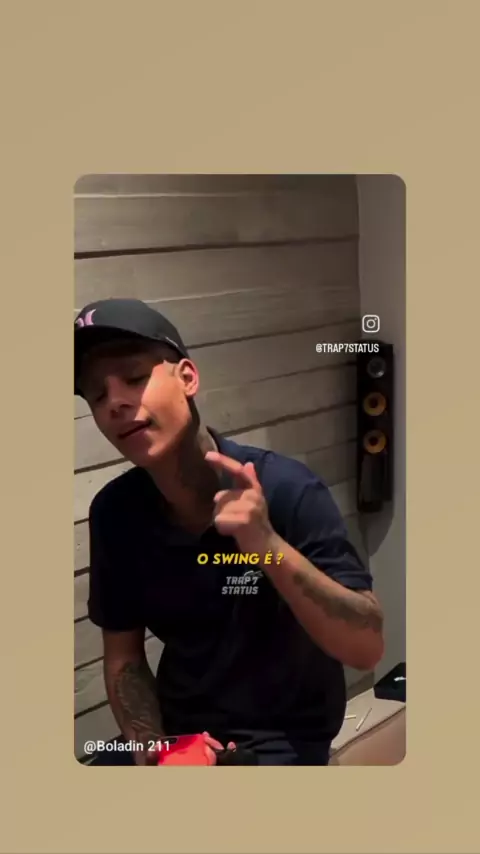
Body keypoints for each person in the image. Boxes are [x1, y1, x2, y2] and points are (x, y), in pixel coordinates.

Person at [74, 298, 384, 766]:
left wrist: (266, 545)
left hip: (283, 738)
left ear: (187, 378)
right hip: (177, 731)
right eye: (97, 396)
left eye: (134, 378)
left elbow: (366, 648)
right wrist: (155, 749)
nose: (115, 402)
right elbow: (124, 660)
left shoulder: (287, 489)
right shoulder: (115, 512)